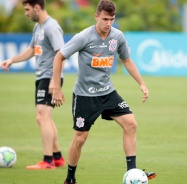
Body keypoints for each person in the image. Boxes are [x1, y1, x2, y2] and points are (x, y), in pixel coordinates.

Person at [50, 0, 157, 183]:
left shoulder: (118, 36)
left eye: (112, 19)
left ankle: (132, 174)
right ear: (96, 16)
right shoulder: (84, 37)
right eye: (105, 19)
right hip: (85, 96)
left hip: (107, 93)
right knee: (80, 138)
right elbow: (59, 56)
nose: (109, 23)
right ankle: (70, 178)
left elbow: (127, 61)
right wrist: (56, 86)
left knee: (131, 124)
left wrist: (142, 83)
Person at [0, 0, 65, 170]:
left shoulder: (52, 27)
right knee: (46, 117)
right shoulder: (38, 27)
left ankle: (48, 160)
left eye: (27, 9)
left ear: (37, 7)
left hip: (50, 78)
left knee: (41, 116)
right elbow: (31, 50)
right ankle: (57, 157)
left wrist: (55, 81)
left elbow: (61, 53)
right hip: (43, 77)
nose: (26, 13)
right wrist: (12, 60)